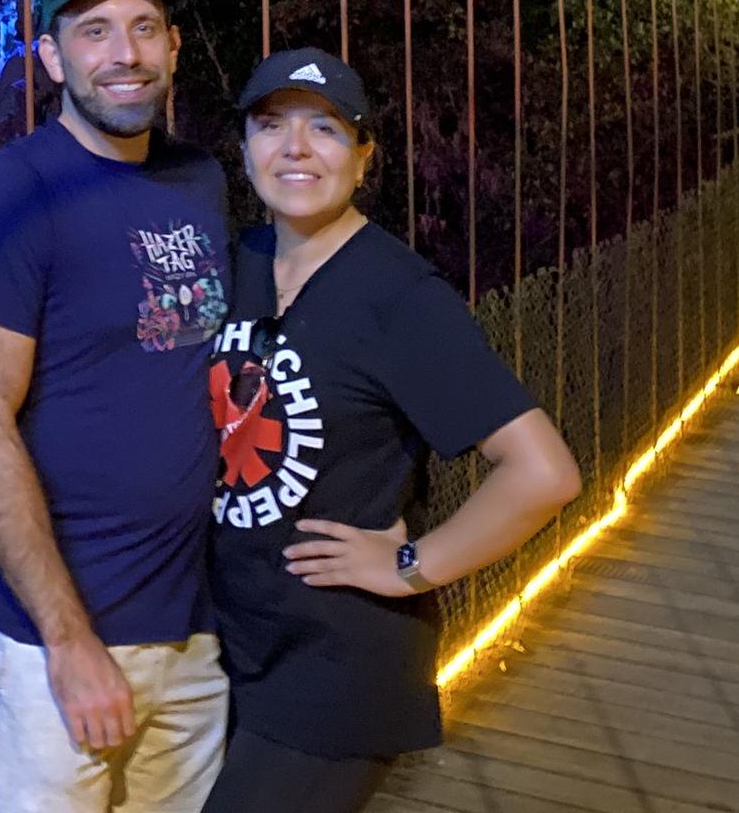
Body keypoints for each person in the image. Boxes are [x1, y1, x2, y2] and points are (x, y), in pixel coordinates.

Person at [204, 48, 582, 813]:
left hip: (337, 665)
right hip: (228, 644)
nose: (296, 148)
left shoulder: (400, 298)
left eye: (327, 129)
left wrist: (411, 563)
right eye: (272, 126)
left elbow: (543, 471)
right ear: (245, 149)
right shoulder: (236, 263)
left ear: (364, 156)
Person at [0, 0, 232, 813]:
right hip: (51, 646)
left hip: (189, 632)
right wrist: (68, 640)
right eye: (95, 32)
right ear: (53, 58)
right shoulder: (17, 191)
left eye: (145, 29)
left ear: (174, 48)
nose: (125, 54)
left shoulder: (201, 181)